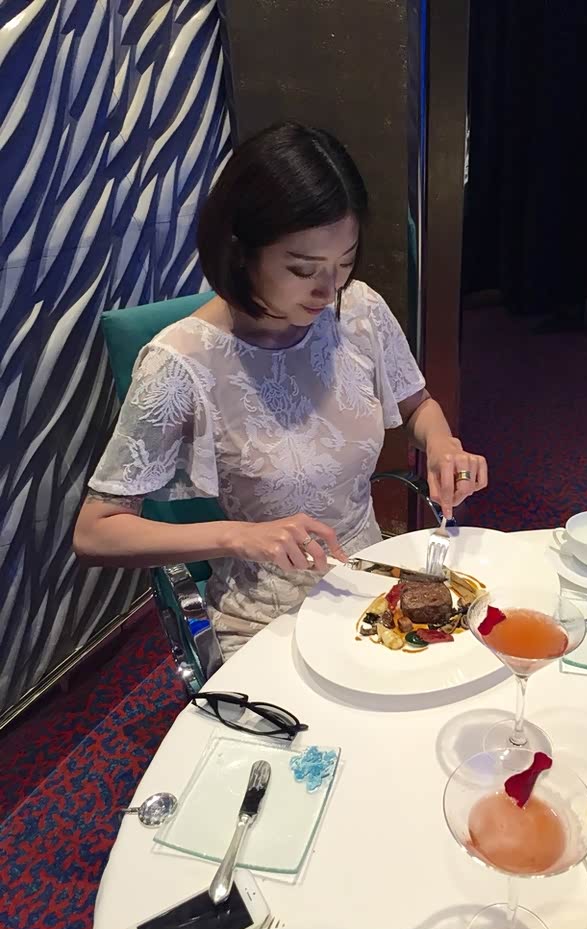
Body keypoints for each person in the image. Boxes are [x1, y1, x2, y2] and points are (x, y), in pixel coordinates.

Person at [74, 122, 488, 658]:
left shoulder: (359, 311)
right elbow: (96, 532)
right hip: (267, 617)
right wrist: (236, 535)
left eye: (344, 262)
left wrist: (443, 444)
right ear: (240, 251)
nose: (328, 289)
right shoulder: (180, 363)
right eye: (302, 268)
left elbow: (417, 406)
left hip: (370, 589)